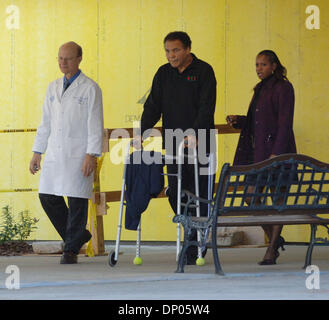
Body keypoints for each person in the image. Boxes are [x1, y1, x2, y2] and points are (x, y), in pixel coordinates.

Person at [137, 31, 217, 264]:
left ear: (188, 49)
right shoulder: (163, 73)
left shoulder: (204, 71)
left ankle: (195, 244)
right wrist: (142, 131)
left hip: (200, 141)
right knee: (175, 191)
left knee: (200, 193)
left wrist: (195, 133)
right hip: (172, 142)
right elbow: (153, 106)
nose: (171, 55)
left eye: (176, 50)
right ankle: (191, 233)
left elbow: (206, 106)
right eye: (167, 51)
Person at [29, 41, 104, 264]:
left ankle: (70, 250)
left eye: (68, 58)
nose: (63, 62)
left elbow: (95, 123)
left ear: (79, 59)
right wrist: (37, 152)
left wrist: (91, 154)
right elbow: (45, 123)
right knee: (47, 196)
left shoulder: (90, 88)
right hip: (54, 152)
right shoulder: (52, 87)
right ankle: (77, 236)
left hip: (79, 152)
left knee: (77, 199)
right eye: (60, 58)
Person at [226, 50, 297, 265]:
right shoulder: (260, 88)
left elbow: (285, 123)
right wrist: (239, 120)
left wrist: (277, 153)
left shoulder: (284, 87)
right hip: (258, 154)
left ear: (274, 65)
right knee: (250, 198)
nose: (259, 69)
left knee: (277, 202)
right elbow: (259, 121)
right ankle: (275, 239)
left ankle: (270, 249)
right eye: (257, 64)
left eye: (263, 64)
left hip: (278, 154)